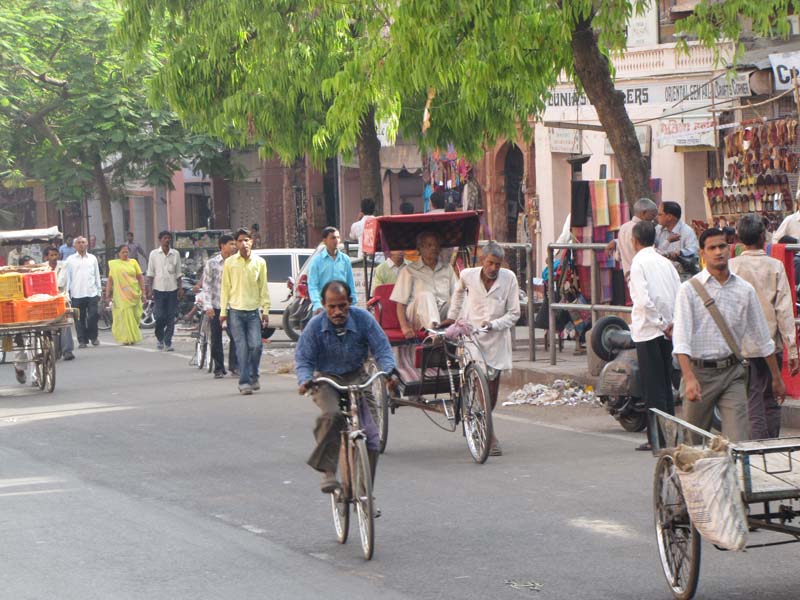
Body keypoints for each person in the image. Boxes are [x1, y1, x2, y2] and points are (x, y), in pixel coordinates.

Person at [672, 228, 784, 442]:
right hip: (699, 373)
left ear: (730, 249)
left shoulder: (745, 290)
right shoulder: (689, 290)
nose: (718, 252)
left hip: (733, 373)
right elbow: (681, 340)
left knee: (738, 443)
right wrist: (689, 378)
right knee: (693, 444)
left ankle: (733, 475)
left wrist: (776, 378)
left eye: (722, 246)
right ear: (702, 253)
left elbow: (762, 339)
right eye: (712, 248)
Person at [295, 280, 398, 493]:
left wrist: (388, 371)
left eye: (342, 305)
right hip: (327, 380)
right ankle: (329, 472)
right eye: (332, 306)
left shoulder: (363, 319)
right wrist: (305, 380)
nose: (337, 311)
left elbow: (382, 349)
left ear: (350, 302)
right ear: (323, 305)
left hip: (358, 377)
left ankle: (364, 492)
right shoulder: (315, 327)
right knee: (333, 416)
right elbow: (304, 359)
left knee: (372, 436)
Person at [441, 242, 520, 456]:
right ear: (481, 261)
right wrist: (452, 318)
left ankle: (478, 419)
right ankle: (489, 434)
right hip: (472, 337)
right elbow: (458, 295)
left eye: (497, 264)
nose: (494, 268)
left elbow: (514, 314)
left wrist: (494, 324)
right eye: (490, 263)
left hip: (496, 338)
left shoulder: (509, 279)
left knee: (492, 391)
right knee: (479, 381)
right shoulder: (467, 275)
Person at [730, 215, 799, 439]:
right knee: (771, 397)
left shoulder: (732, 267)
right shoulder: (776, 266)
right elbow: (785, 311)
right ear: (763, 237)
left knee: (752, 398)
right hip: (771, 345)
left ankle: (758, 447)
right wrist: (793, 349)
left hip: (742, 347)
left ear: (740, 238)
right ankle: (770, 447)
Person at [627, 221, 681, 452]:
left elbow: (643, 299)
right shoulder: (664, 261)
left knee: (654, 387)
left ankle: (657, 438)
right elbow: (680, 292)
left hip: (650, 331)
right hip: (668, 329)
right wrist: (672, 324)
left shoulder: (639, 263)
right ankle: (670, 435)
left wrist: (661, 323)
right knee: (665, 385)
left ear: (635, 240)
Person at [220, 227, 270, 395]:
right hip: (235, 312)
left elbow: (263, 287)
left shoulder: (260, 262)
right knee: (241, 348)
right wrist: (223, 312)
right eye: (240, 241)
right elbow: (225, 288)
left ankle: (254, 374)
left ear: (252, 242)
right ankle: (244, 383)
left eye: (246, 240)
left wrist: (266, 310)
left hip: (253, 312)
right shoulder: (230, 263)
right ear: (236, 243)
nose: (243, 243)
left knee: (256, 346)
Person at [392, 231, 457, 336]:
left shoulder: (447, 268)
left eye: (436, 245)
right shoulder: (409, 270)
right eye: (429, 245)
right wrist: (404, 327)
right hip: (418, 314)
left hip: (442, 314)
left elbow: (457, 295)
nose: (434, 248)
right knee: (426, 295)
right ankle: (435, 334)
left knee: (458, 299)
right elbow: (400, 303)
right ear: (420, 248)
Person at [198, 234, 239, 378]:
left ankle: (234, 365)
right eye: (231, 244)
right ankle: (219, 368)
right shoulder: (212, 263)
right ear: (222, 245)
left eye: (235, 244)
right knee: (216, 338)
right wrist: (207, 305)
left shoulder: (237, 262)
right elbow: (207, 285)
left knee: (235, 335)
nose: (234, 247)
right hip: (215, 305)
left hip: (233, 305)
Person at [307, 227, 357, 314]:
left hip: (342, 306)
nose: (336, 240)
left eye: (338, 237)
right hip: (324, 307)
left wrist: (353, 303)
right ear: (325, 241)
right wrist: (318, 305)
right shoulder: (317, 261)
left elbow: (350, 284)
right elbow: (312, 286)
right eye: (333, 238)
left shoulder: (345, 260)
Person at [63, 236, 102, 349]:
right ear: (75, 245)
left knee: (93, 316)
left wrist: (99, 291)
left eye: (83, 242)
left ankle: (93, 337)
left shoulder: (92, 258)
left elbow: (96, 275)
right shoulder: (70, 260)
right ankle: (82, 340)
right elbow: (68, 277)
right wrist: (67, 293)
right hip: (77, 293)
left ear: (87, 244)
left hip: (91, 292)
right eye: (79, 243)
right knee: (79, 319)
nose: (81, 244)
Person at [146, 231, 182, 352]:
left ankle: (168, 341)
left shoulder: (175, 254)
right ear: (160, 240)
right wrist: (149, 289)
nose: (167, 240)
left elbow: (178, 273)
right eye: (165, 238)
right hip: (158, 289)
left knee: (171, 317)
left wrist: (180, 288)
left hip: (172, 289)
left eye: (169, 238)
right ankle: (160, 337)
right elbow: (150, 273)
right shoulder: (154, 254)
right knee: (160, 316)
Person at [606, 198, 658, 280]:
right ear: (644, 213)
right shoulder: (643, 229)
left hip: (630, 276)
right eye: (652, 215)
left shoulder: (623, 227)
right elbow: (650, 252)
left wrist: (616, 242)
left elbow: (618, 257)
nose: (654, 218)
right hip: (644, 275)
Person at [105, 245, 146, 346]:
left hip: (134, 292)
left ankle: (131, 335)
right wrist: (107, 295)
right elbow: (110, 280)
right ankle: (128, 338)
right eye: (123, 252)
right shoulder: (114, 265)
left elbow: (140, 277)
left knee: (136, 315)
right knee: (126, 315)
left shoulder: (133, 262)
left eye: (127, 252)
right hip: (121, 294)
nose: (125, 254)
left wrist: (143, 291)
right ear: (119, 253)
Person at [44, 246, 75, 361]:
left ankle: (67, 350)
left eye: (56, 255)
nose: (54, 258)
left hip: (62, 298)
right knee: (52, 326)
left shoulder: (64, 265)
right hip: (47, 300)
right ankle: (55, 350)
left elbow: (61, 282)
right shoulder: (43, 268)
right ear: (46, 257)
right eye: (51, 255)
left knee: (65, 325)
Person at [655, 201, 699, 279]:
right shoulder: (658, 229)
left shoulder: (686, 231)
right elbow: (655, 252)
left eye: (660, 214)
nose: (657, 217)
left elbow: (694, 250)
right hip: (661, 274)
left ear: (669, 217)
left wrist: (680, 252)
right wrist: (667, 241)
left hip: (680, 275)